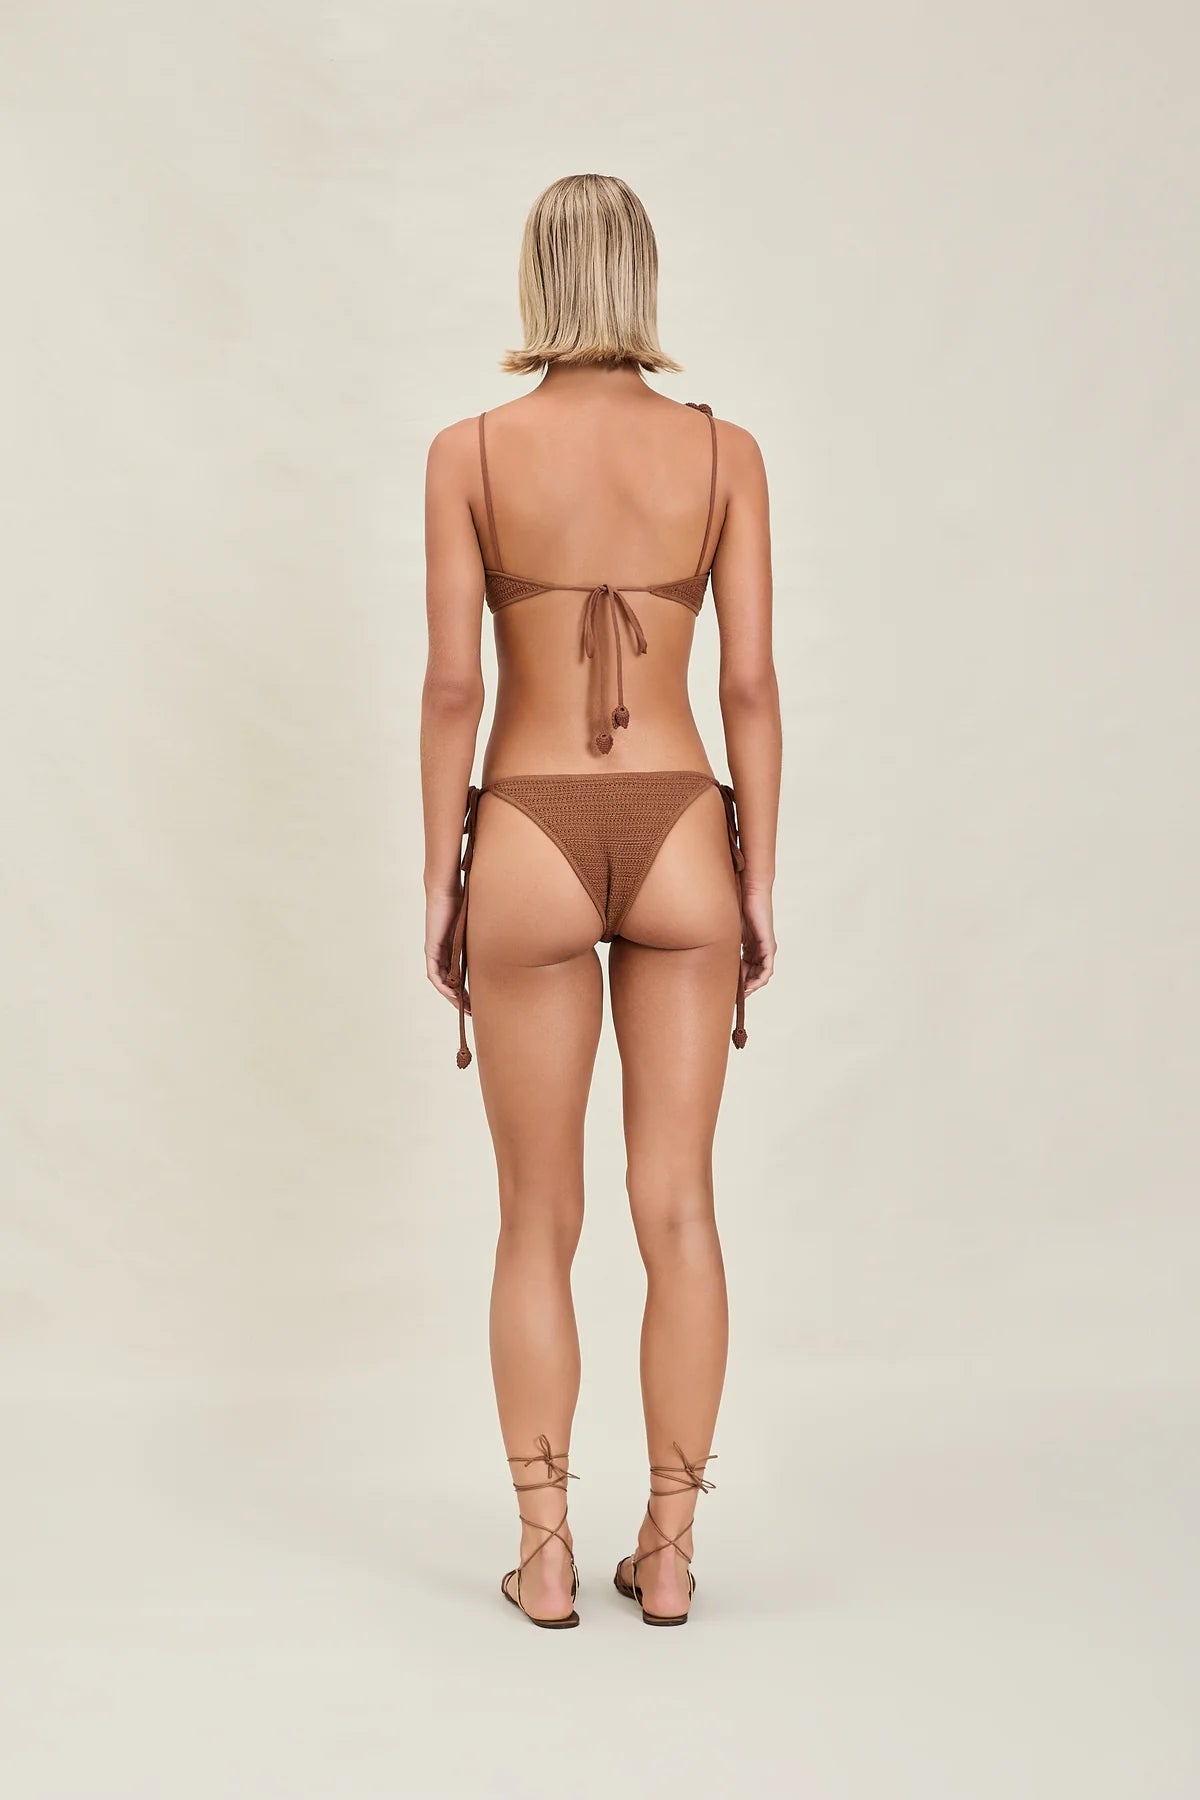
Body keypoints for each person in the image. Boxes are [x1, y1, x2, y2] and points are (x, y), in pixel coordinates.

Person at [421, 173, 781, 1627]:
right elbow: (748, 686)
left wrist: (437, 877)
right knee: (678, 1206)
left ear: (536, 278)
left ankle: (548, 1548)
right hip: (685, 825)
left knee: (536, 1218)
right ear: (640, 277)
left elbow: (455, 690)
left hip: (527, 827)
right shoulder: (724, 454)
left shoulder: (469, 453)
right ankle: (674, 1550)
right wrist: (759, 879)